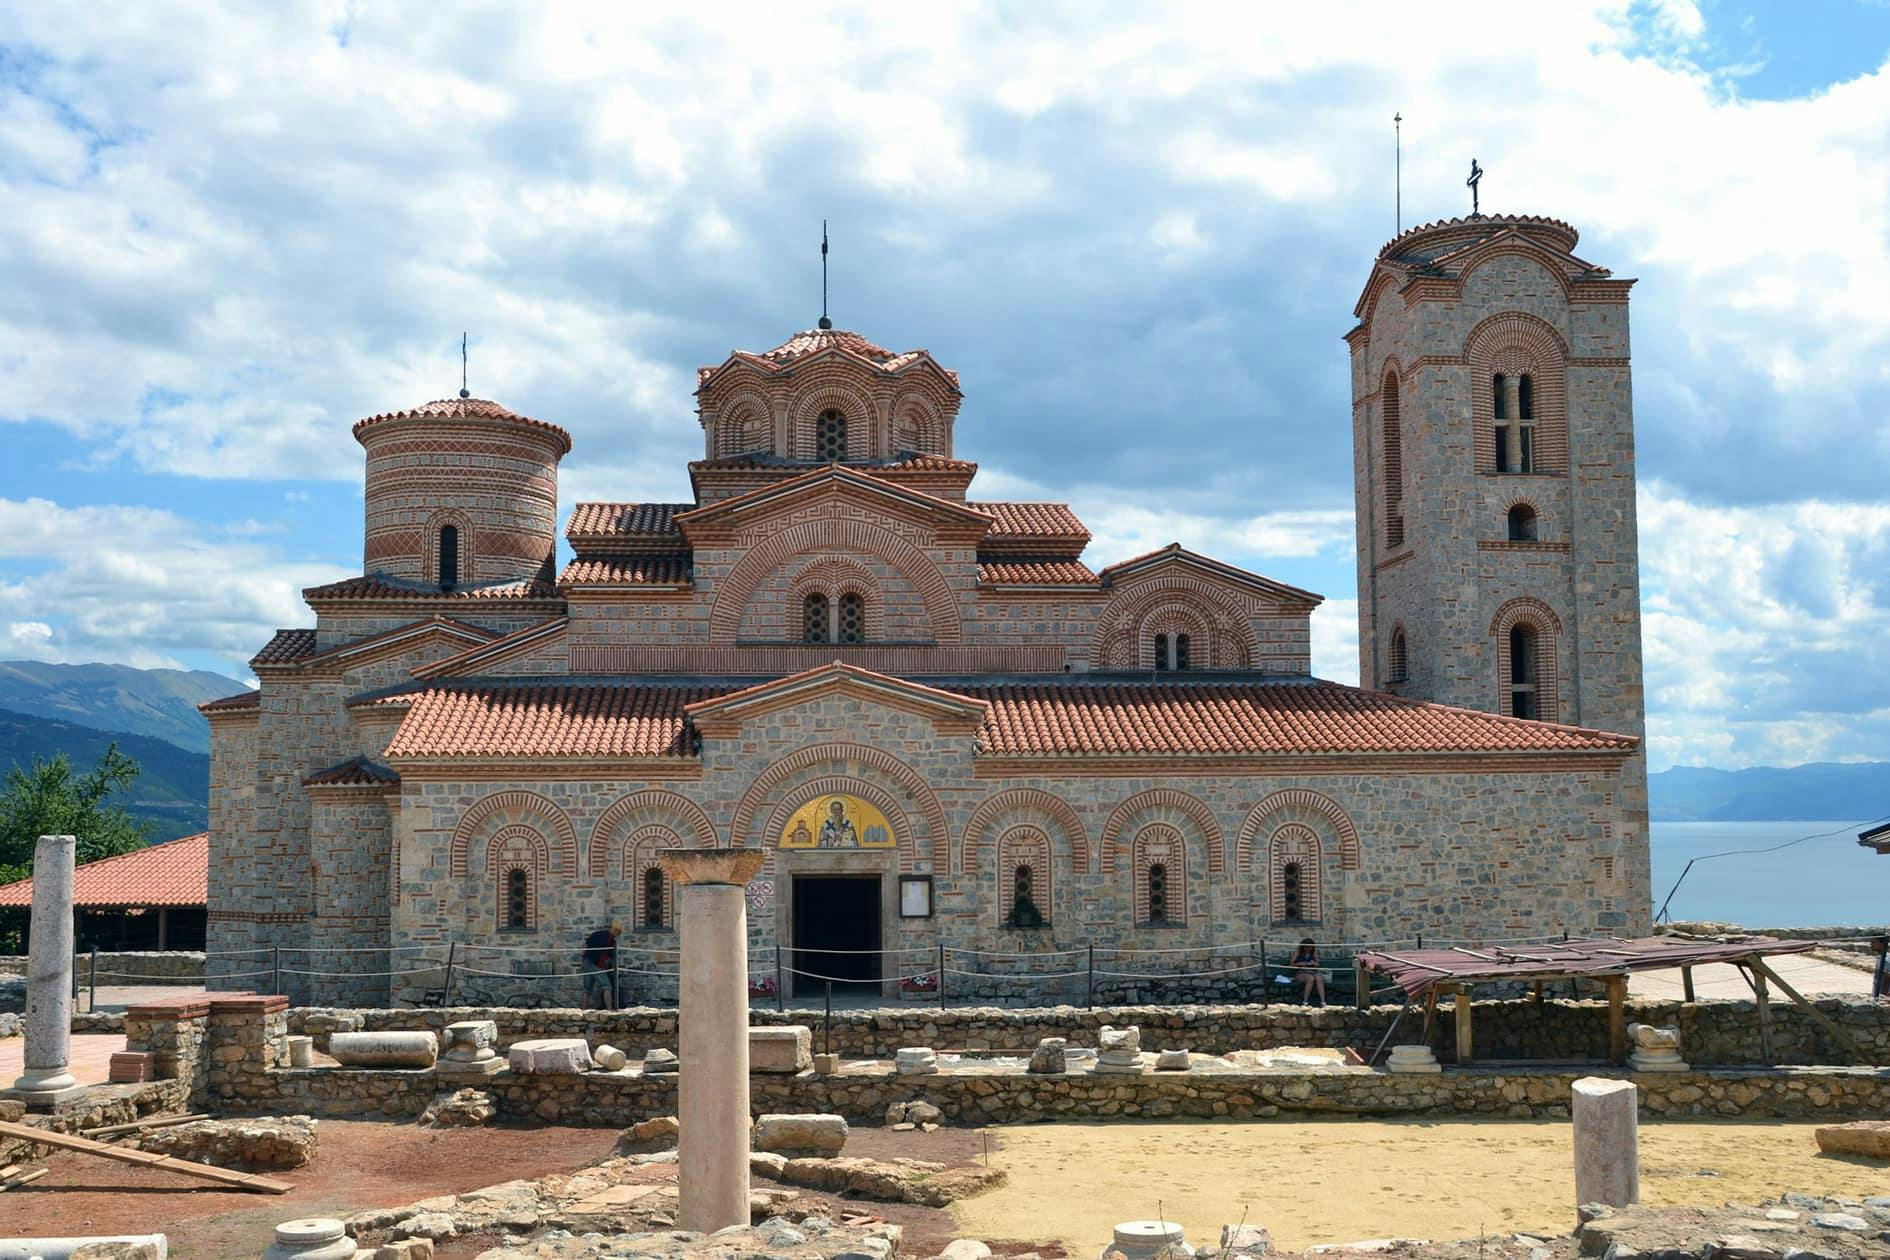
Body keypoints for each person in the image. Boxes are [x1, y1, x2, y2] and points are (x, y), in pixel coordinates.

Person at [583, 921, 620, 1010]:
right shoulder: (610, 940)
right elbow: (610, 956)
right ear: (614, 930)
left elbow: (584, 946)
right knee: (607, 986)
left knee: (587, 989)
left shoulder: (597, 934)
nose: (616, 934)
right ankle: (609, 1010)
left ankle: (583, 1010)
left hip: (587, 962)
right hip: (597, 964)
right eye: (617, 932)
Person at [1291, 937, 1326, 1007]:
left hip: (1312, 970)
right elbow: (1291, 964)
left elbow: (1317, 964)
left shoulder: (1314, 952)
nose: (1308, 949)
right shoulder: (1298, 952)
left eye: (1310, 947)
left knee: (1319, 978)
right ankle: (1305, 1001)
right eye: (1306, 947)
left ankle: (1323, 1001)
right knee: (1310, 979)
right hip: (1301, 972)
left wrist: (1314, 963)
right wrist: (1300, 963)